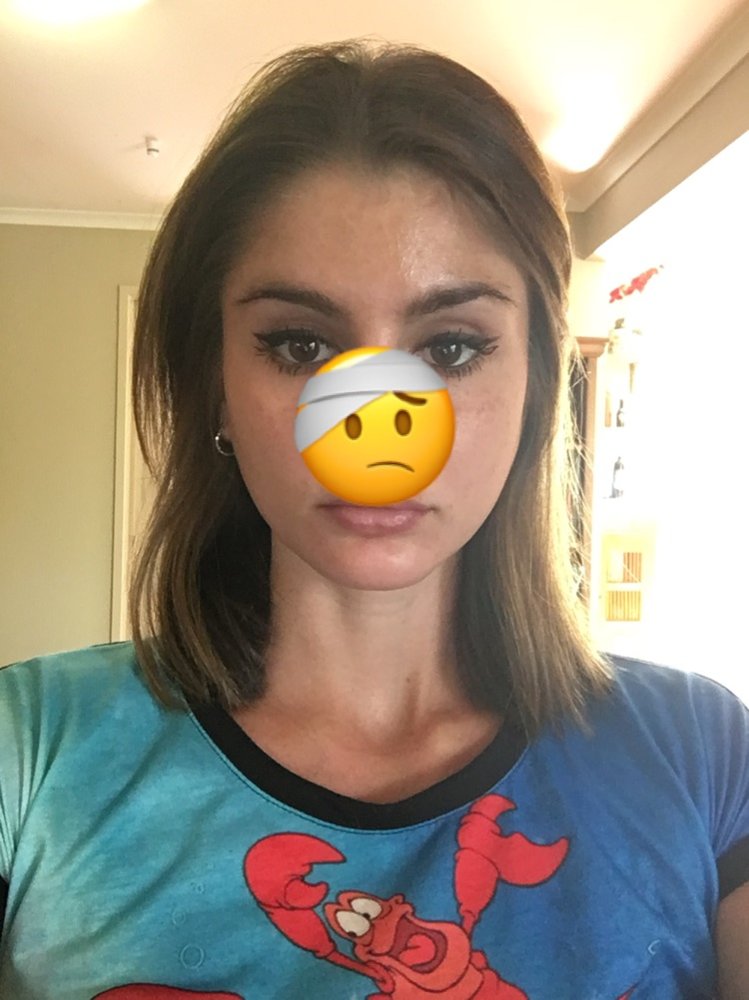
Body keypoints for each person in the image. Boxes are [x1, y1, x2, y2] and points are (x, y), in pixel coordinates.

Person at [0, 38, 747, 1000]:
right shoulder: (30, 751)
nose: (376, 427)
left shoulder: (700, 755)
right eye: (301, 345)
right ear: (215, 386)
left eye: (450, 347)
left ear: (532, 385)